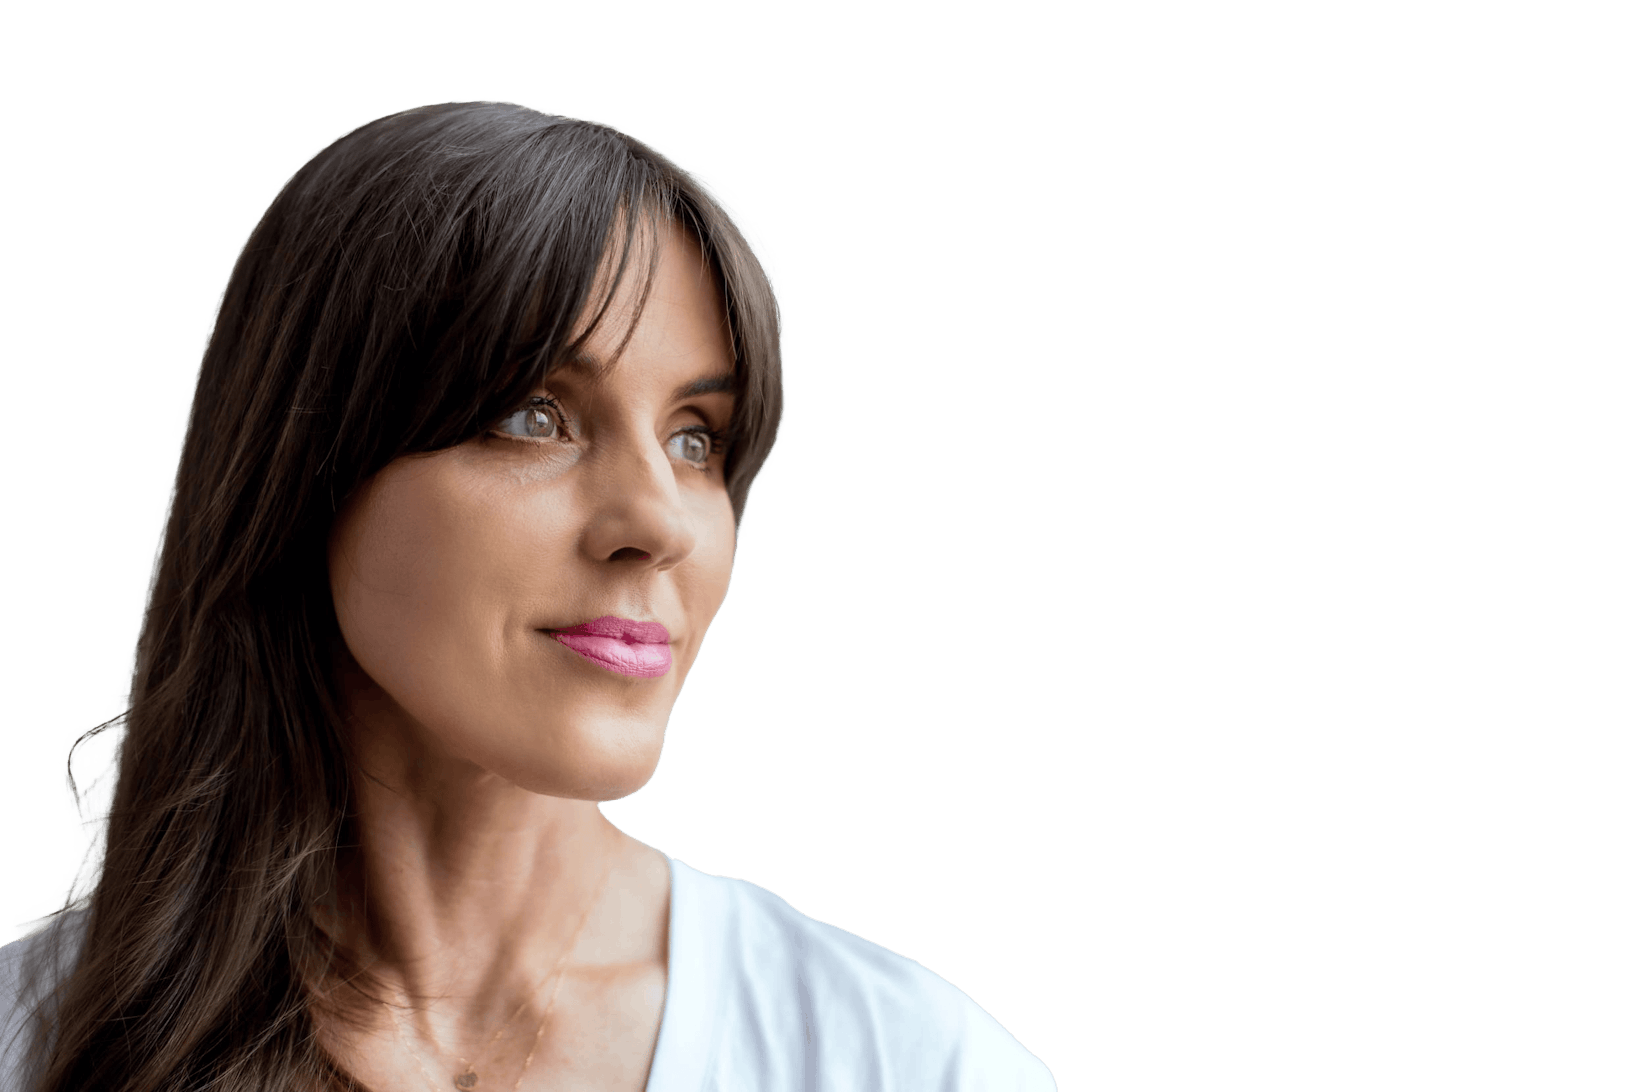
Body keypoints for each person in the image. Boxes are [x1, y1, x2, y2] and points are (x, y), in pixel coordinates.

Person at [0, 99, 1054, 1092]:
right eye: (533, 415)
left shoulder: (908, 1064)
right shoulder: (32, 1043)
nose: (660, 523)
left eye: (698, 440)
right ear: (306, 470)